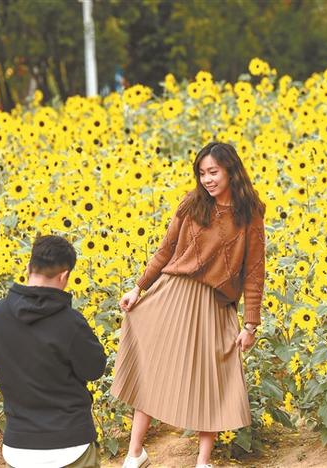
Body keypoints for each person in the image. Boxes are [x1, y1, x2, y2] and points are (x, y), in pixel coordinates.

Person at [112, 142, 266, 468]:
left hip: (214, 305)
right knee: (154, 369)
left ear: (230, 171)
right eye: (202, 173)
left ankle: (203, 461)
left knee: (212, 379)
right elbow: (165, 250)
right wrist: (138, 288)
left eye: (213, 172)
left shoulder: (249, 213)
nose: (207, 180)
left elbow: (255, 271)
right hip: (173, 295)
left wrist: (251, 324)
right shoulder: (191, 204)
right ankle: (135, 453)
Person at [0, 235, 107, 468]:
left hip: (19, 448)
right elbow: (94, 370)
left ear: (28, 267)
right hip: (71, 445)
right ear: (64, 276)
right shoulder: (70, 322)